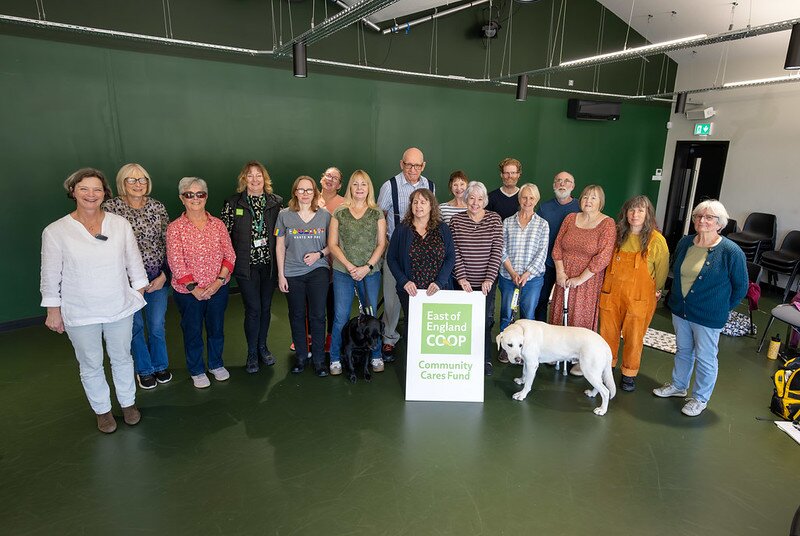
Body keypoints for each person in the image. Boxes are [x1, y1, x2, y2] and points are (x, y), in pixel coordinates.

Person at [41, 168, 147, 433]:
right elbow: (50, 274)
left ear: (104, 193)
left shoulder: (119, 224)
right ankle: (102, 411)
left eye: (97, 189)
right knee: (90, 363)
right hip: (80, 311)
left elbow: (133, 261)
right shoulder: (56, 231)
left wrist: (138, 292)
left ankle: (128, 404)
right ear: (73, 191)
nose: (91, 194)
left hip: (119, 307)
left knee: (122, 357)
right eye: (84, 189)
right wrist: (54, 311)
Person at [653, 200, 747, 416]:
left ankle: (700, 398)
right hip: (681, 310)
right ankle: (679, 386)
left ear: (720, 223)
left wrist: (721, 308)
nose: (702, 220)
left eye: (709, 217)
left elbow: (741, 287)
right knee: (684, 351)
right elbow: (677, 272)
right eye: (699, 216)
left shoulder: (730, 252)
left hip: (708, 316)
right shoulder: (686, 243)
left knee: (705, 358)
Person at [102, 163, 172, 390]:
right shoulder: (110, 208)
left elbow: (167, 242)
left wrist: (164, 274)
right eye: (132, 180)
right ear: (122, 182)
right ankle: (144, 370)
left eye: (142, 179)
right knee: (134, 327)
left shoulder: (157, 207)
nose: (138, 184)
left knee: (156, 324)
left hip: (157, 278)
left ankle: (160, 364)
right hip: (126, 281)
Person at [167, 177, 236, 389]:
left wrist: (218, 282)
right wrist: (194, 289)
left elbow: (229, 255)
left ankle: (216, 364)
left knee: (216, 329)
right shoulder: (175, 228)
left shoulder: (218, 225)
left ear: (206, 197)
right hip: (188, 293)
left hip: (218, 289)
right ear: (182, 198)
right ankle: (197, 370)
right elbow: (175, 262)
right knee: (193, 331)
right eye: (189, 194)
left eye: (200, 194)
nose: (195, 198)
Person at [598, 196, 669, 392]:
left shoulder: (656, 240)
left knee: (634, 337)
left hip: (640, 298)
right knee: (607, 334)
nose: (635, 215)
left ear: (648, 214)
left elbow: (662, 270)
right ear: (625, 213)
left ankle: (629, 373)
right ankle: (607, 368)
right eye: (631, 210)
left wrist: (657, 290)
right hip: (611, 294)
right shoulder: (616, 234)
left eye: (640, 211)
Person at [221, 161, 282, 374]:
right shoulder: (233, 203)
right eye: (250, 175)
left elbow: (281, 236)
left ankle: (263, 347)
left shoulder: (276, 203)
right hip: (245, 267)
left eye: (259, 175)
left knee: (266, 308)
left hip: (269, 266)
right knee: (253, 309)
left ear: (265, 179)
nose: (255, 179)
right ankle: (251, 353)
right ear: (243, 179)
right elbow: (224, 237)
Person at [377, 147, 436, 360]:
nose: (413, 169)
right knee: (392, 296)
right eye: (409, 164)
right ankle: (389, 338)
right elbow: (379, 217)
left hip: (424, 253)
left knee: (421, 294)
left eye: (417, 165)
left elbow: (433, 217)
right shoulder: (388, 186)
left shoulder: (430, 185)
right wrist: (383, 246)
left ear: (423, 166)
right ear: (402, 164)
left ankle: (421, 337)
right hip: (396, 250)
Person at [550, 184, 615, 376]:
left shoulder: (607, 224)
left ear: (600, 202)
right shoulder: (570, 218)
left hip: (588, 280)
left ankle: (581, 359)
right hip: (564, 276)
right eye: (585, 197)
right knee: (559, 315)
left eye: (593, 198)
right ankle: (557, 351)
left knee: (580, 318)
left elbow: (603, 257)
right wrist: (560, 273)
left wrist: (580, 278)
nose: (588, 201)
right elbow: (557, 247)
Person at [328, 170, 387, 375]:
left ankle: (376, 355)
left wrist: (367, 267)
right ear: (350, 188)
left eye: (364, 184)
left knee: (370, 315)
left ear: (369, 188)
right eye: (355, 184)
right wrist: (350, 266)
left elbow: (381, 244)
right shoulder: (339, 212)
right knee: (341, 316)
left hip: (369, 273)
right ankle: (335, 357)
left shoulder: (376, 213)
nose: (360, 188)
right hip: (343, 272)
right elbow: (332, 244)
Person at [276, 176, 331, 377]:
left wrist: (319, 254)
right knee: (297, 315)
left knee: (317, 315)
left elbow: (332, 245)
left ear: (315, 193)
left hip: (318, 270)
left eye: (309, 190)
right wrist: (281, 275)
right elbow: (280, 246)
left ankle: (318, 359)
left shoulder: (325, 216)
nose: (305, 193)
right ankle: (300, 357)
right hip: (292, 272)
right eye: (301, 190)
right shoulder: (284, 215)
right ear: (295, 192)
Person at [449, 181, 504, 376]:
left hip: (486, 284)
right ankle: (461, 357)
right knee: (461, 321)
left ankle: (485, 360)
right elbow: (454, 252)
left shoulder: (494, 219)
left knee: (484, 321)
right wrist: (462, 278)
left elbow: (497, 251)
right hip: (462, 282)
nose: (475, 203)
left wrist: (489, 279)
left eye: (480, 199)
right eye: (471, 198)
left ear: (485, 201)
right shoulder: (456, 221)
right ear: (466, 199)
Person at [387, 188, 456, 317]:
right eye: (415, 202)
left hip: (438, 289)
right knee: (413, 327)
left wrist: (439, 282)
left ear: (431, 206)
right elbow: (391, 258)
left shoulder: (442, 229)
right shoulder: (402, 229)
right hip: (411, 291)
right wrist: (404, 281)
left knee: (437, 327)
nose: (418, 206)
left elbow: (450, 257)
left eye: (423, 202)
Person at [498, 184, 549, 342]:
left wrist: (527, 274)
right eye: (524, 197)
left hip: (532, 279)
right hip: (508, 277)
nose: (527, 201)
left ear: (536, 200)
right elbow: (501, 248)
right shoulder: (507, 222)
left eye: (531, 198)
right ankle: (506, 347)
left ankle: (527, 346)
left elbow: (542, 253)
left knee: (528, 316)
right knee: (507, 314)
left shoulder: (542, 224)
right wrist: (512, 272)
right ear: (519, 199)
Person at [534, 171, 581, 322]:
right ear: (554, 185)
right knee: (540, 301)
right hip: (546, 264)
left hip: (570, 267)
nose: (562, 184)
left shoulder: (581, 207)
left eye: (566, 181)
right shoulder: (544, 208)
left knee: (566, 305)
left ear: (573, 186)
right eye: (558, 181)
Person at [318, 167, 344, 353]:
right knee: (310, 303)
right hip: (311, 261)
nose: (330, 180)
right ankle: (308, 337)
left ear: (340, 185)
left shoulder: (344, 204)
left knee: (333, 302)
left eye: (335, 178)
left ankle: (330, 338)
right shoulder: (308, 197)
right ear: (321, 179)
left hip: (336, 262)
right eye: (328, 176)